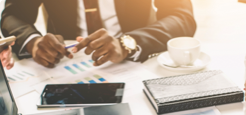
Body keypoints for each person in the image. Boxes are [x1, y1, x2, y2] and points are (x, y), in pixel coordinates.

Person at [0, 0, 196, 68]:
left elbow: (181, 16)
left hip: (136, 59)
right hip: (64, 64)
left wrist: (128, 44)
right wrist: (34, 43)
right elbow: (13, 14)